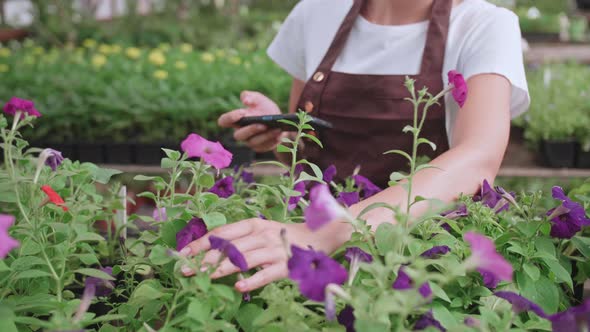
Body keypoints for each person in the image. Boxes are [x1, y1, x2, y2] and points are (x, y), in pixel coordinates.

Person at [182, 0, 529, 294]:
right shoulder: (317, 12)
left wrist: (327, 232)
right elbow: (307, 155)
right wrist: (282, 134)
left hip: (420, 262)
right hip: (310, 250)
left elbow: (478, 158)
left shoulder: (483, 24)